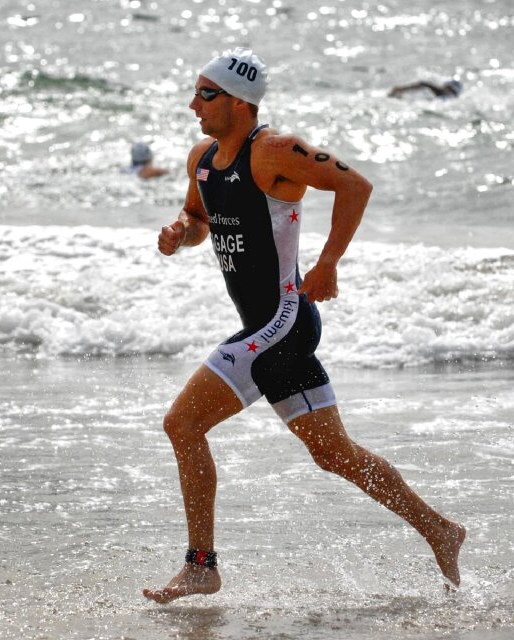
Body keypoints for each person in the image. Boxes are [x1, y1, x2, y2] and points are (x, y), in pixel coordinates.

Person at [143, 48, 466, 604]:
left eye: (206, 93)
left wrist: (328, 263)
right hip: (270, 328)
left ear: (240, 102)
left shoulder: (275, 151)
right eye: (196, 91)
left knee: (183, 425)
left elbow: (355, 186)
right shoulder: (202, 157)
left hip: (282, 323)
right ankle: (441, 529)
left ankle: (202, 566)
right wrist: (180, 232)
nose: (193, 103)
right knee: (335, 454)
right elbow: (199, 218)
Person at [388, 79, 463, 99]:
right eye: (448, 88)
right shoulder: (439, 91)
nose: (448, 91)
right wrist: (402, 89)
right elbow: (424, 84)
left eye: (451, 91)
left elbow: (425, 84)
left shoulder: (452, 99)